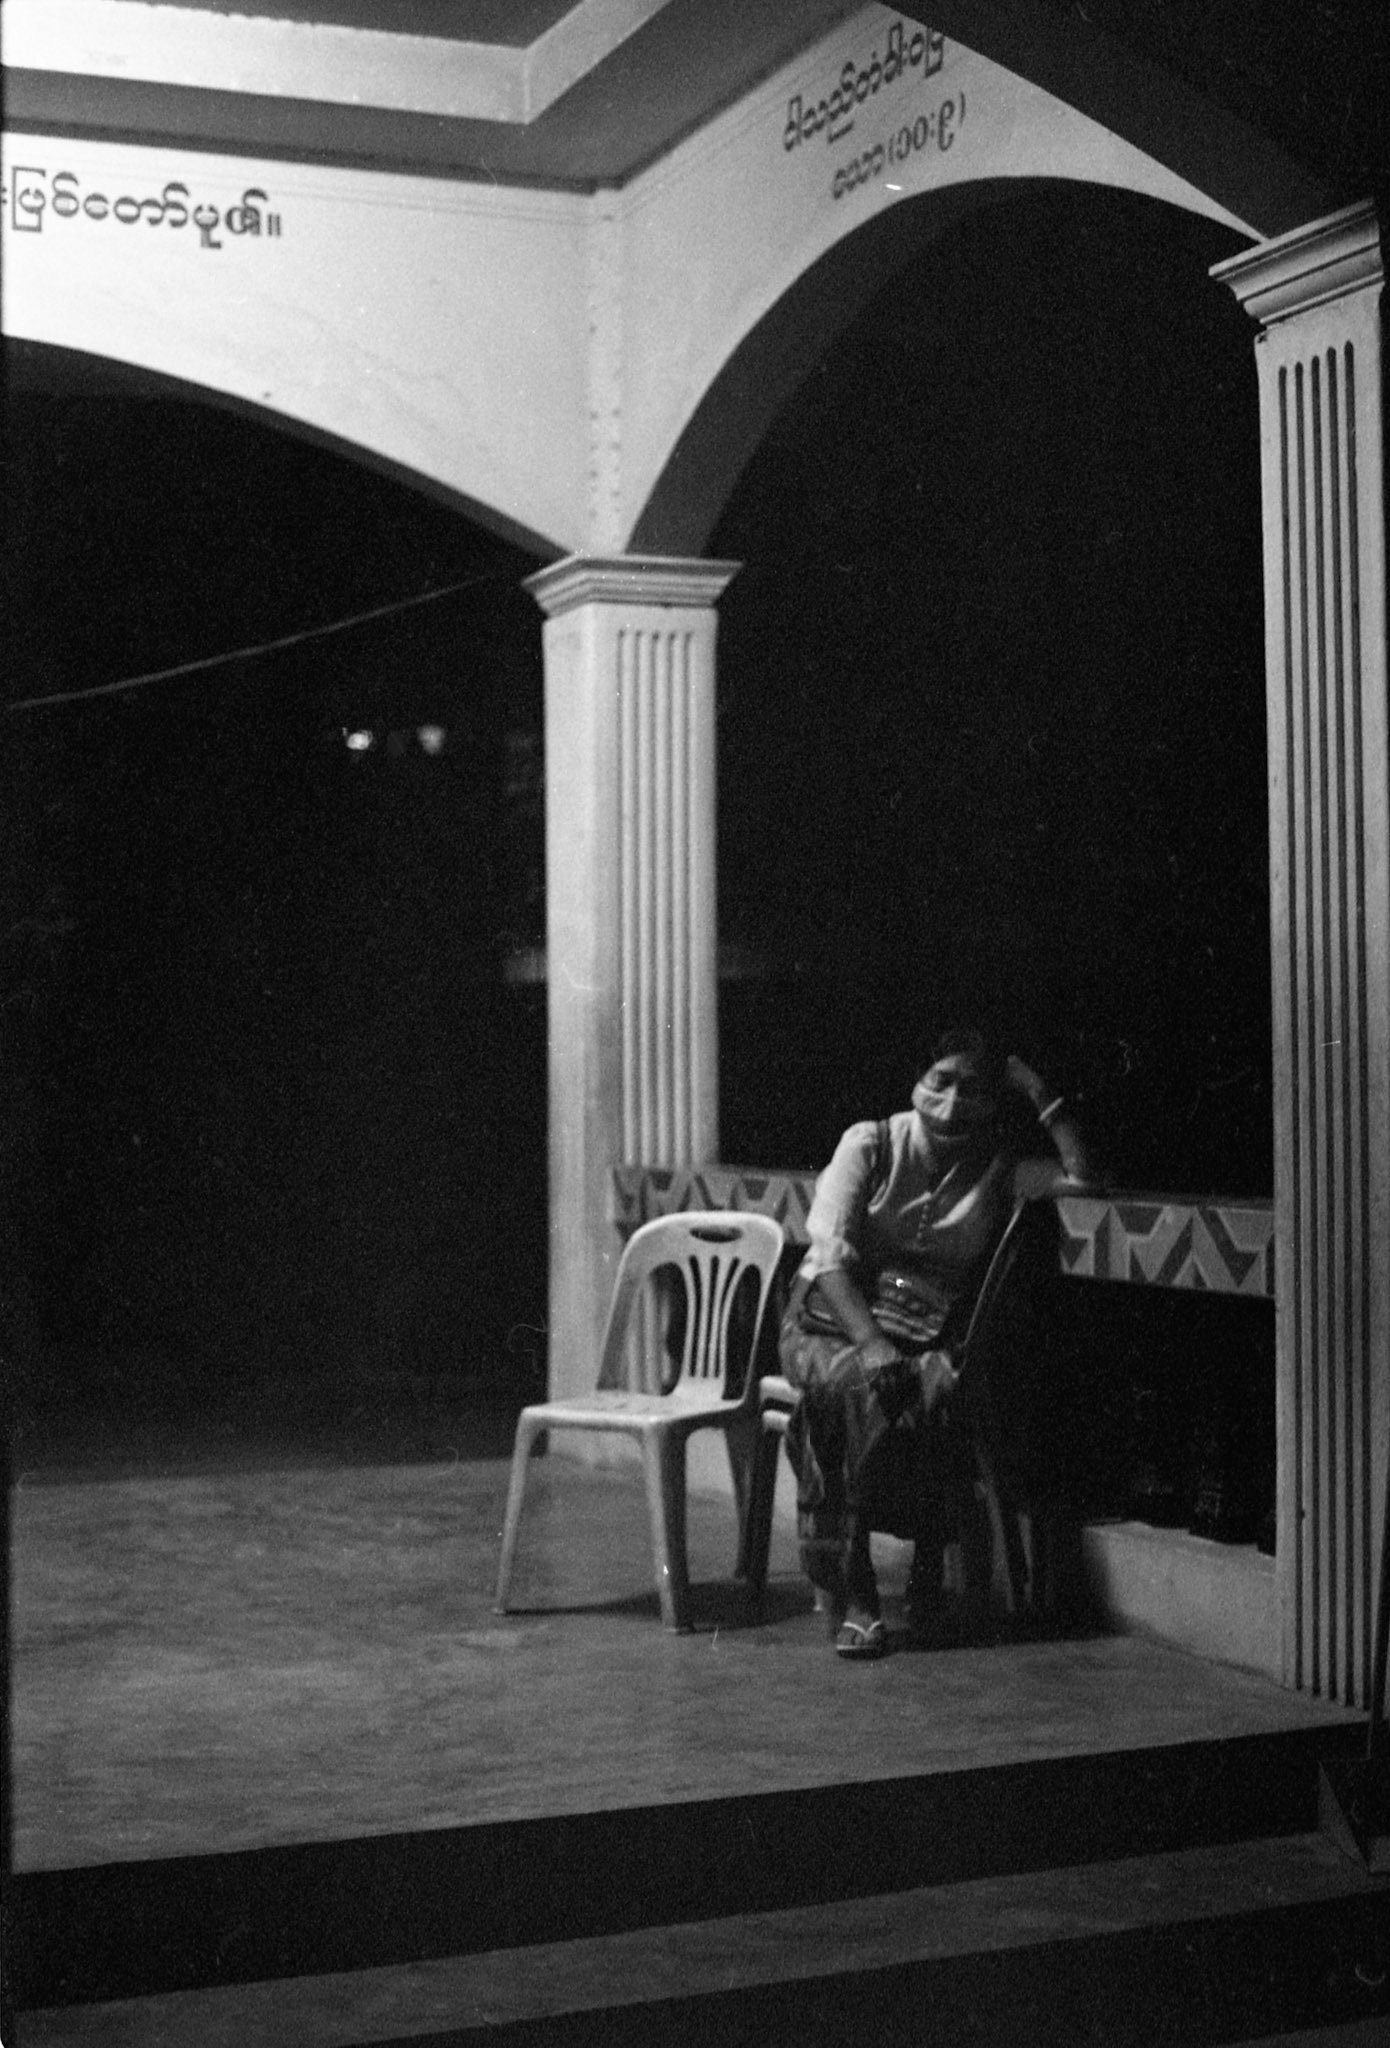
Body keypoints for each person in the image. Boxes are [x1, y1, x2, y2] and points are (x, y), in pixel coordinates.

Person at [778, 1029, 1091, 1658]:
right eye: (939, 1082)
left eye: (971, 1089)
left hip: (924, 1327)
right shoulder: (870, 1144)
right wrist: (872, 1345)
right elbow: (829, 1259)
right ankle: (857, 1586)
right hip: (830, 1323)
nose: (950, 1105)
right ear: (916, 1082)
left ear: (992, 1101)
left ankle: (926, 1567)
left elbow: (1083, 1177)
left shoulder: (998, 1166)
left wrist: (1035, 1089)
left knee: (934, 1388)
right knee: (854, 1391)